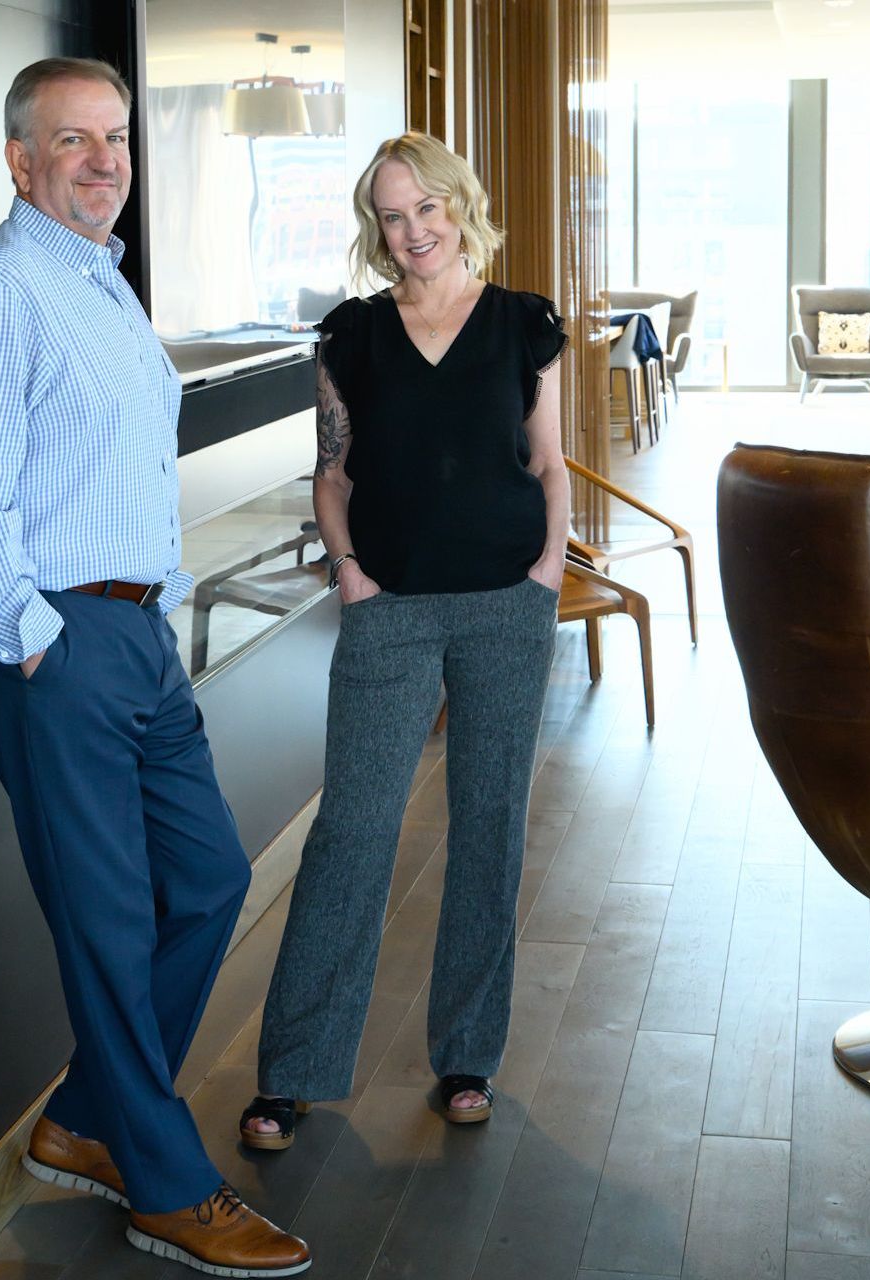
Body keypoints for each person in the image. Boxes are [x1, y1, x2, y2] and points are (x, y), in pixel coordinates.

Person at [0, 57, 310, 1278]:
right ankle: (166, 1183)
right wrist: (40, 643)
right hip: (58, 642)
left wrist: (146, 612)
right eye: (72, 140)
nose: (103, 159)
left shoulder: (102, 287)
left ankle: (87, 1118)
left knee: (202, 880)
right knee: (104, 917)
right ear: (19, 159)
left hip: (133, 630)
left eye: (117, 137)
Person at [240, 132, 568, 1149]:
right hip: (388, 607)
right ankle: (291, 1070)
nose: (412, 230)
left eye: (424, 207)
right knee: (353, 829)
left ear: (459, 206)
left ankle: (466, 1055)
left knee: (487, 824)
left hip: (506, 605)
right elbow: (330, 473)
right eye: (390, 214)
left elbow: (549, 460)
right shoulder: (348, 334)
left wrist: (547, 571)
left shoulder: (525, 323)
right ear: (373, 229)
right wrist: (349, 570)